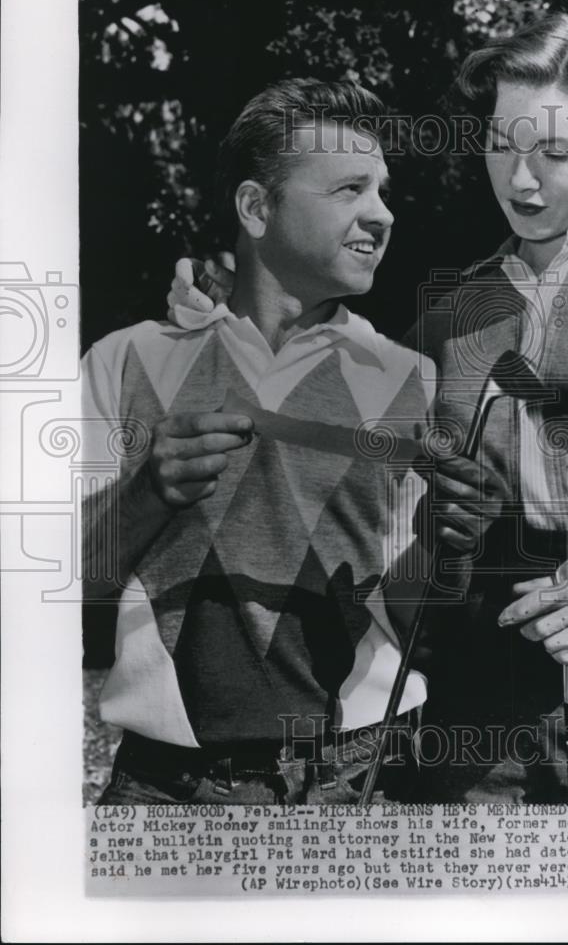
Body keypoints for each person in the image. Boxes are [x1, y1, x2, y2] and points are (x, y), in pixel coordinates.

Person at [171, 12, 568, 804]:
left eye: (552, 151)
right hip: (480, 688)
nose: (520, 181)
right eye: (502, 146)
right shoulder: (450, 313)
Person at [82, 78, 495, 805]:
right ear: (255, 206)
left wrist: (445, 543)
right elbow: (53, 582)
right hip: (161, 789)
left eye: (384, 191)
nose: (383, 215)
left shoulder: (410, 378)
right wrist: (148, 491)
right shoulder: (126, 358)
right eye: (349, 189)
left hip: (354, 783)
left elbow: (410, 612)